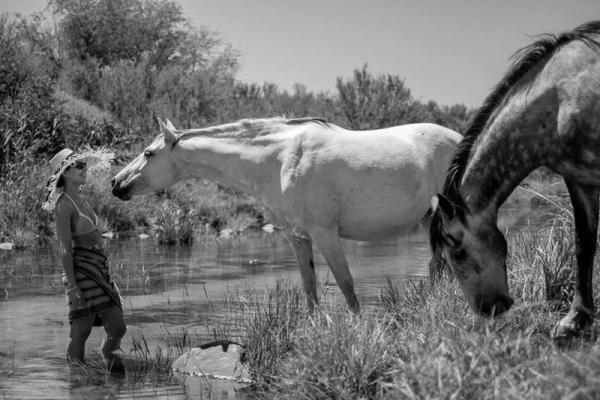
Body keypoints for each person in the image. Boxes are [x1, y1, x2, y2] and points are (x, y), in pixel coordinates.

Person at [43, 147, 126, 372]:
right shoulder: (63, 205)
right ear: (65, 173)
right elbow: (63, 248)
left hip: (99, 270)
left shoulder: (80, 198)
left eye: (84, 164)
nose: (84, 169)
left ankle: (109, 360)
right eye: (78, 166)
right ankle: (78, 380)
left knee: (117, 327)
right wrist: (72, 287)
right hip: (81, 273)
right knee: (81, 332)